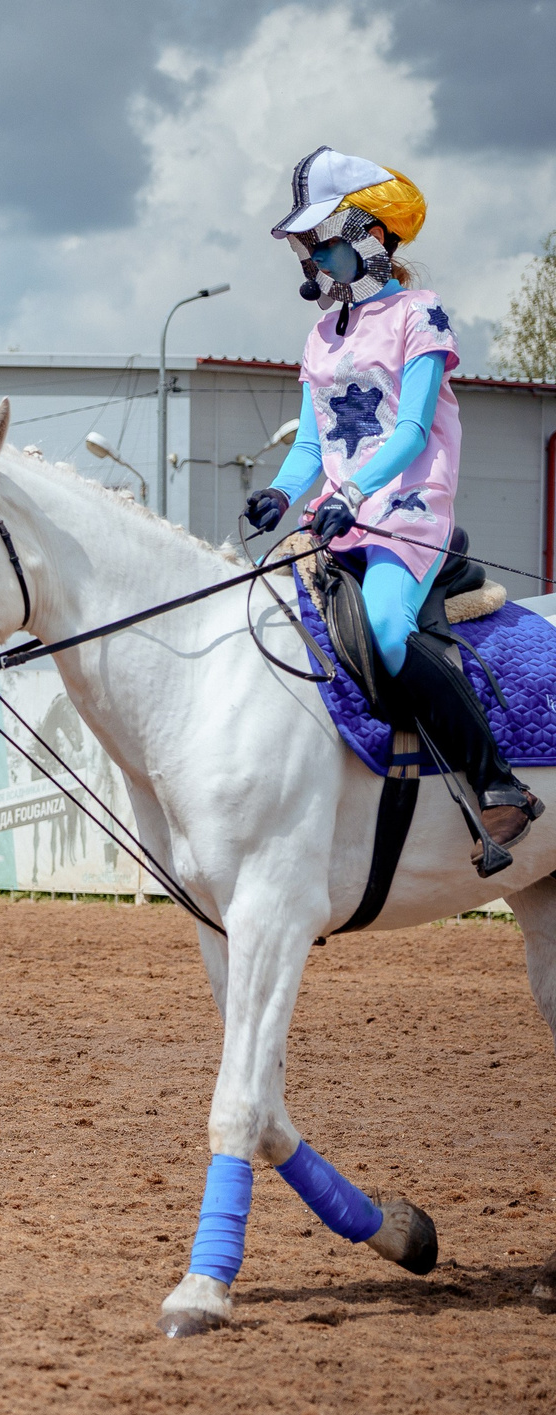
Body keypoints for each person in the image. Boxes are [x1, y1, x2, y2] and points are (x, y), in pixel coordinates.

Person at [244, 147, 540, 873]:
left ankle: (498, 782)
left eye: (320, 241)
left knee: (383, 624)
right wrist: (283, 492)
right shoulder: (320, 337)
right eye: (306, 246)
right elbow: (312, 443)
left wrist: (350, 494)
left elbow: (410, 432)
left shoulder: (420, 314)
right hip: (338, 520)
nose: (310, 257)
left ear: (367, 234)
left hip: (408, 512)